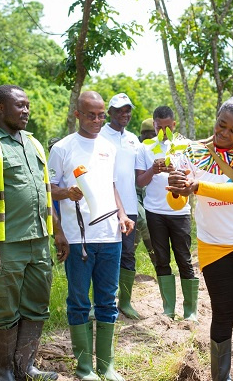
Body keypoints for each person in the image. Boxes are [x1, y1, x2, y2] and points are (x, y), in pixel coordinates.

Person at [166, 97, 233, 380]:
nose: (224, 133)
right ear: (215, 119)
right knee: (223, 312)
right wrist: (178, 189)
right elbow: (177, 204)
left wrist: (197, 186)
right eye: (221, 125)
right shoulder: (191, 151)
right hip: (213, 246)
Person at [0, 84, 64, 381]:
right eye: (20, 105)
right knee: (5, 309)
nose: (26, 111)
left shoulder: (32, 143)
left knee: (37, 306)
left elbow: (44, 193)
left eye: (27, 105)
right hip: (5, 245)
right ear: (1, 108)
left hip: (38, 242)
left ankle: (26, 368)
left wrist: (57, 232)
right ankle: (4, 370)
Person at [47, 91, 134, 381]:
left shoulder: (109, 147)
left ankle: (106, 366)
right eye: (90, 114)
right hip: (77, 238)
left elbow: (111, 187)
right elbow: (48, 192)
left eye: (100, 115)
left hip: (110, 236)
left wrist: (122, 214)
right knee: (79, 301)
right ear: (77, 115)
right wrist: (58, 227)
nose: (96, 120)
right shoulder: (62, 148)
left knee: (108, 300)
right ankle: (84, 368)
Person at [135, 106, 198, 321]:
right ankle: (168, 309)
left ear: (174, 125)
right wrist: (153, 169)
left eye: (167, 127)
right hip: (155, 212)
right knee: (162, 260)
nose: (163, 131)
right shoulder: (145, 147)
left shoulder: (185, 146)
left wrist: (178, 172)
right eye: (158, 127)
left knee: (184, 258)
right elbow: (139, 181)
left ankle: (190, 311)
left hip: (180, 210)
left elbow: (194, 177)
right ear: (153, 125)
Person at [99, 92, 142, 320]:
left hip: (130, 206)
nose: (124, 114)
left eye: (127, 110)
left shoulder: (133, 139)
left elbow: (138, 174)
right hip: (105, 206)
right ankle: (104, 302)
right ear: (110, 113)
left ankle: (125, 302)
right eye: (119, 110)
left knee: (128, 254)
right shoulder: (100, 135)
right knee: (105, 254)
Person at [134, 118, 157, 266]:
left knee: (134, 235)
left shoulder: (158, 148)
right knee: (143, 221)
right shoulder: (135, 147)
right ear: (142, 135)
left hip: (147, 195)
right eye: (146, 136)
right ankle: (156, 262)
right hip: (131, 193)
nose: (149, 139)